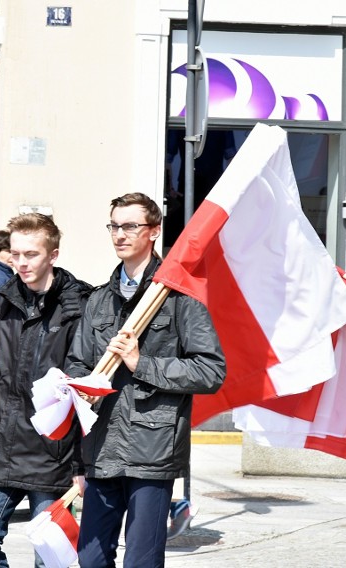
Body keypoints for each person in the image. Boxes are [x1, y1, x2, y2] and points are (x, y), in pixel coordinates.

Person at [65, 192, 226, 568]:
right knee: (90, 560)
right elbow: (77, 362)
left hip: (152, 449)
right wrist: (77, 385)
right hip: (102, 447)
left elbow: (211, 370)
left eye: (130, 226)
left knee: (141, 561)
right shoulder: (99, 300)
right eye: (114, 226)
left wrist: (142, 364)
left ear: (153, 231)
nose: (120, 234)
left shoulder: (179, 297)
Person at [0, 213, 92, 568]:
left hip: (53, 453)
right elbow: (1, 374)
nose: (20, 262)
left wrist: (81, 464)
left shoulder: (78, 308)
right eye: (15, 254)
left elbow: (86, 394)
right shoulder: (4, 302)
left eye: (30, 254)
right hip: (3, 444)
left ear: (53, 255)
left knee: (48, 557)